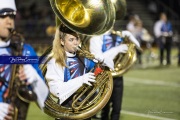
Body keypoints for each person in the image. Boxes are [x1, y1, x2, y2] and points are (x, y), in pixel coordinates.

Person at [45, 24, 115, 120]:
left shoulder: (85, 58)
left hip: (85, 112)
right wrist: (81, 80)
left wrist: (102, 59)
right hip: (66, 112)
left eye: (77, 39)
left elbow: (111, 66)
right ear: (62, 41)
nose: (76, 43)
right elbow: (56, 90)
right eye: (71, 40)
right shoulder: (55, 61)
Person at [0, 0, 48, 120]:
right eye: (3, 16)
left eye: (12, 16)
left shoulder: (25, 51)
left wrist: (35, 80)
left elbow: (45, 103)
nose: (9, 22)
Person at [89, 30, 140, 120]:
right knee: (105, 108)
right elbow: (98, 58)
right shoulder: (96, 38)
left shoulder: (118, 35)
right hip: (104, 76)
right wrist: (117, 49)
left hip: (118, 76)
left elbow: (138, 48)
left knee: (117, 109)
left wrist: (130, 36)